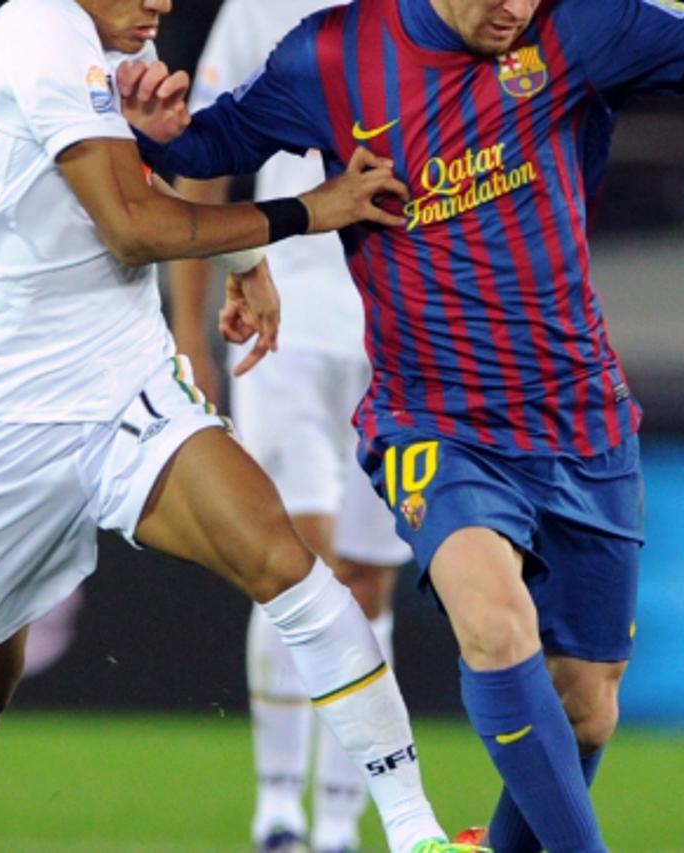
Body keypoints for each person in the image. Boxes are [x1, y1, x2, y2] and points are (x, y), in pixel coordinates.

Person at [121, 0, 684, 850]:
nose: (515, 6)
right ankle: (299, 808)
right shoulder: (333, 53)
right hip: (435, 419)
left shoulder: (582, 29)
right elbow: (208, 147)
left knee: (587, 706)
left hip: (580, 422)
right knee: (492, 619)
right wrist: (151, 132)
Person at [0, 1, 484, 852]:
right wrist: (310, 210)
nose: (161, 2)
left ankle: (413, 831)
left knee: (289, 563)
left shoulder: (125, 35)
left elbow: (148, 179)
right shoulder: (37, 31)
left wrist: (242, 261)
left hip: (125, 387)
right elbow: (131, 225)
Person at [169, 2, 412, 851]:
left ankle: (342, 822)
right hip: (289, 324)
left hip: (401, 331)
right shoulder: (258, 8)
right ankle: (279, 811)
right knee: (294, 561)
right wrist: (185, 334)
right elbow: (201, 160)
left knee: (368, 582)